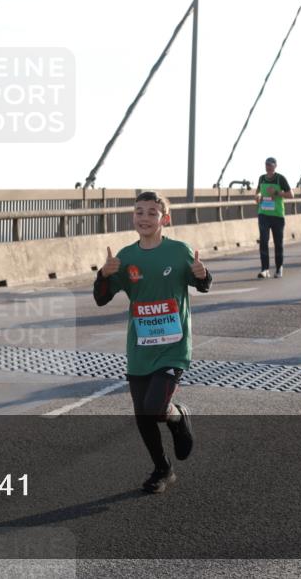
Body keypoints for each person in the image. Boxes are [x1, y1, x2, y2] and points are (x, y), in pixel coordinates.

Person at [93, 191, 212, 494]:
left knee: (155, 407)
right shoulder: (126, 257)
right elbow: (101, 298)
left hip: (173, 345)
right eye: (139, 212)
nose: (144, 218)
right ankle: (162, 469)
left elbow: (202, 283)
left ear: (164, 219)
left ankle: (176, 415)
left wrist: (203, 275)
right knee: (142, 414)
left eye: (151, 213)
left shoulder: (178, 251)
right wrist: (102, 275)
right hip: (140, 347)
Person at [255, 157, 294, 279]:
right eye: (267, 165)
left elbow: (291, 195)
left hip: (277, 216)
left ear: (275, 166)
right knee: (263, 241)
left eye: (271, 165)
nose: (268, 167)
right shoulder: (261, 178)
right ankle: (265, 269)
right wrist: (258, 196)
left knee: (278, 243)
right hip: (263, 214)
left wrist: (277, 193)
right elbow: (258, 192)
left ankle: (279, 268)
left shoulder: (280, 178)